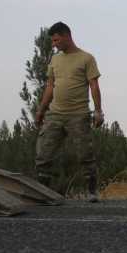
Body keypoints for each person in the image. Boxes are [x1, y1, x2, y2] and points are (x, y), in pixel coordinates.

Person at [33, 21, 104, 201]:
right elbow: (50, 86)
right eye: (52, 41)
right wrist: (41, 111)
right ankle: (43, 193)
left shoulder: (86, 58)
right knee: (44, 154)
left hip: (78, 114)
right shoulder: (55, 59)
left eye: (56, 40)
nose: (54, 44)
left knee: (85, 154)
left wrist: (98, 111)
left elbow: (94, 86)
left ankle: (92, 192)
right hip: (55, 114)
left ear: (66, 36)